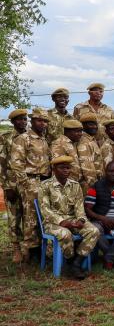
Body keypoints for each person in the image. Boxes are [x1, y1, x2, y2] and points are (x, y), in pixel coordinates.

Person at [39, 156, 100, 279]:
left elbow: (79, 208)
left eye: (68, 168)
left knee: (93, 231)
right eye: (62, 168)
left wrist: (81, 220)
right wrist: (63, 222)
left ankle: (76, 264)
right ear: (54, 169)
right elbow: (45, 210)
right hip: (52, 222)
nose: (66, 170)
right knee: (65, 234)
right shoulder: (45, 186)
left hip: (73, 220)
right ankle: (70, 260)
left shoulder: (75, 185)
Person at [9, 108, 51, 261]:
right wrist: (25, 183)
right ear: (32, 121)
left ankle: (40, 248)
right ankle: (29, 250)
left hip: (44, 181)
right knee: (30, 217)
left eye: (45, 121)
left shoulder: (44, 139)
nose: (43, 123)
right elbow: (16, 163)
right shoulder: (24, 138)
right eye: (39, 120)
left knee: (42, 215)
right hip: (31, 181)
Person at [0, 109, 28, 262]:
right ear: (12, 122)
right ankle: (16, 248)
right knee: (14, 217)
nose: (23, 122)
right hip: (12, 183)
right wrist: (6, 187)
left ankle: (29, 248)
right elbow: (2, 164)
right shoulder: (6, 138)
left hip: (28, 183)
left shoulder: (33, 136)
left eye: (25, 119)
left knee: (29, 216)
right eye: (19, 119)